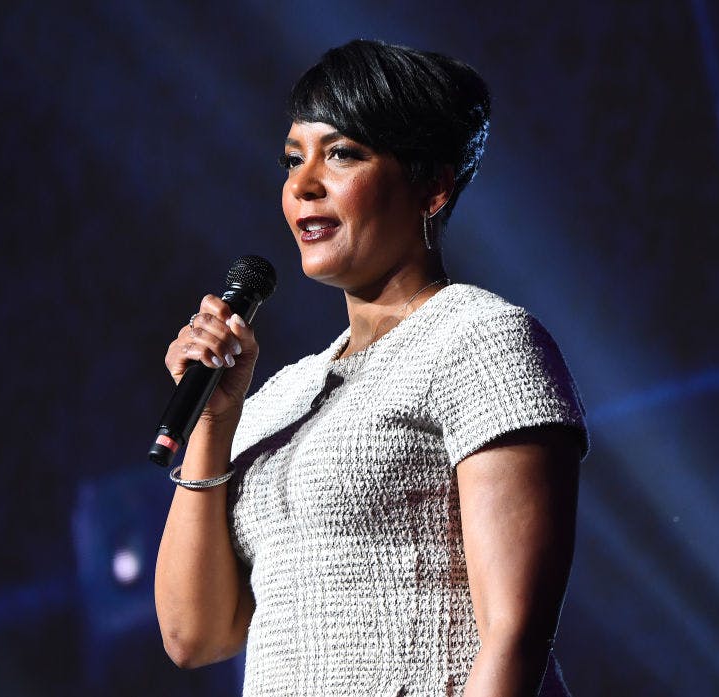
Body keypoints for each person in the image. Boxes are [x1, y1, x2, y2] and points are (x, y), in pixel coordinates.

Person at [154, 39, 588, 697]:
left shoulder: (481, 339)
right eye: (293, 159)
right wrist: (215, 420)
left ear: (433, 186)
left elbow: (515, 635)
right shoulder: (282, 397)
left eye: (342, 154)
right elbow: (194, 635)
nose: (302, 185)